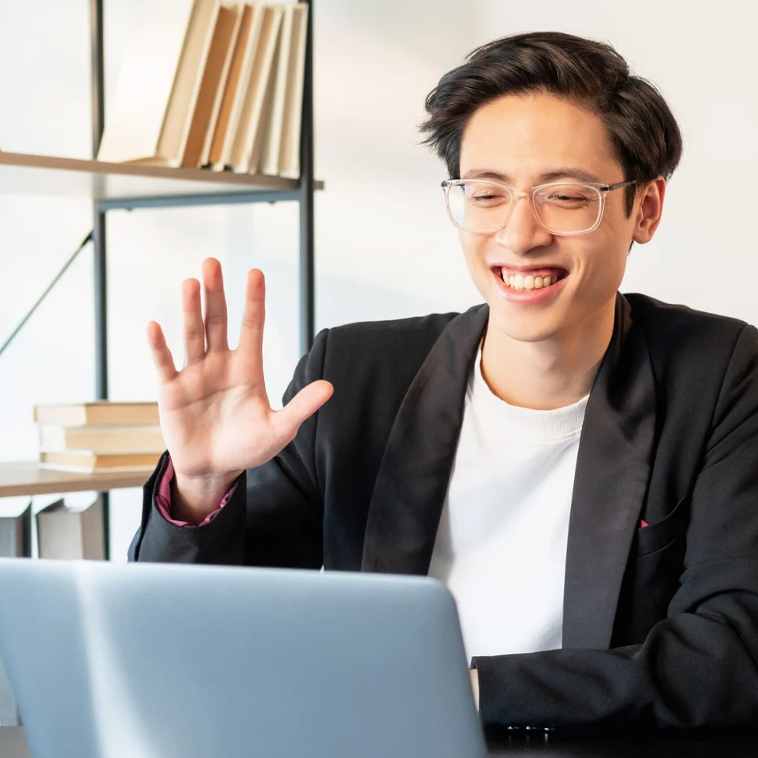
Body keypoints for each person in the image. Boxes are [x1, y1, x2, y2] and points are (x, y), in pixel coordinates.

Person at [129, 31, 758, 730]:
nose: (519, 234)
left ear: (645, 208)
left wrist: (454, 691)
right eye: (486, 194)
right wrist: (201, 487)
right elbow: (199, 632)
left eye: (566, 196)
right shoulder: (353, 379)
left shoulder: (721, 374)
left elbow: (732, 653)